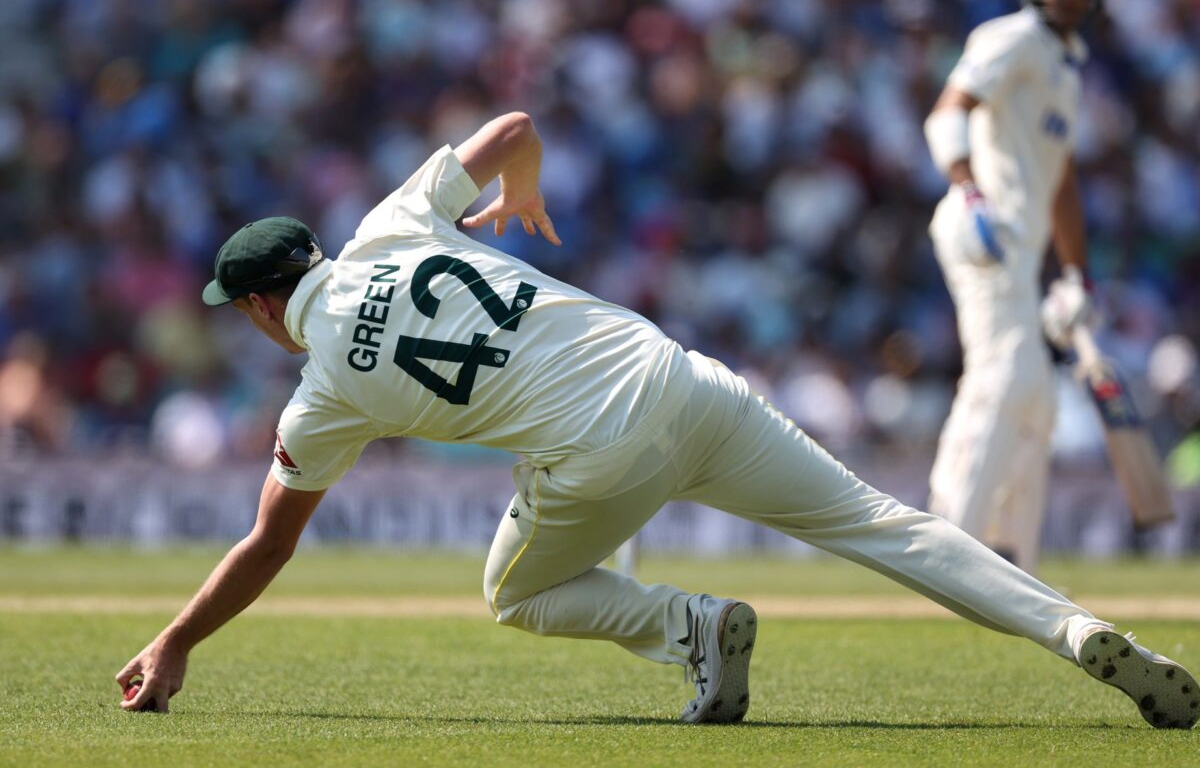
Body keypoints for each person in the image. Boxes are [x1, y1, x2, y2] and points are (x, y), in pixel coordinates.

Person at [117, 112, 1197, 729]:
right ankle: (1076, 630)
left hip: (597, 455)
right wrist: (524, 190)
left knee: (515, 590)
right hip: (684, 378)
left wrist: (174, 641)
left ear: (263, 305)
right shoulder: (387, 228)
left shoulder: (322, 395)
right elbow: (515, 126)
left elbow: (268, 543)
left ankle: (685, 625)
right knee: (884, 523)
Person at [923, 0, 1106, 574]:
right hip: (982, 228)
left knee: (1038, 392)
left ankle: (1007, 556)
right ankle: (946, 543)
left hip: (1022, 250)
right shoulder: (1011, 38)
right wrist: (968, 189)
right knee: (1005, 372)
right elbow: (947, 111)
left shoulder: (1066, 69)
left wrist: (1077, 274)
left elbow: (1061, 183)